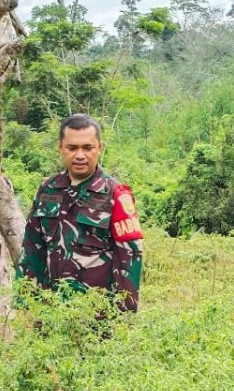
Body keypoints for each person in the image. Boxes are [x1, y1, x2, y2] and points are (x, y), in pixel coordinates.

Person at [16, 113, 143, 312]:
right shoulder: (48, 189)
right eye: (72, 148)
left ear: (99, 148)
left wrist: (124, 315)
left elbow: (130, 256)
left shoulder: (115, 194)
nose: (80, 155)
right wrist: (25, 301)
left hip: (96, 313)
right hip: (51, 311)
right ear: (60, 148)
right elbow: (32, 247)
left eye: (88, 147)